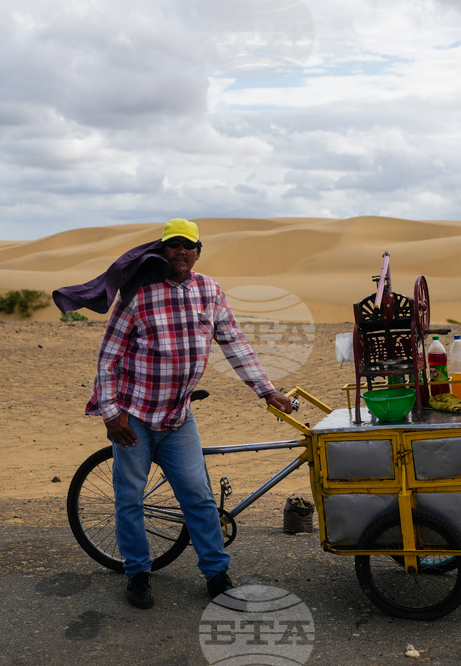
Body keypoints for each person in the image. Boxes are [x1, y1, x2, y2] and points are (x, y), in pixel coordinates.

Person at [84, 218, 293, 609]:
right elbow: (107, 357)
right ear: (162, 250)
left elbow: (234, 343)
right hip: (134, 416)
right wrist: (111, 412)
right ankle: (138, 574)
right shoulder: (138, 293)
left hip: (178, 417)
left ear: (199, 251)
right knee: (130, 498)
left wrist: (266, 389)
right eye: (174, 244)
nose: (181, 251)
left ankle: (216, 572)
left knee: (197, 496)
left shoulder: (209, 291)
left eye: (189, 245)